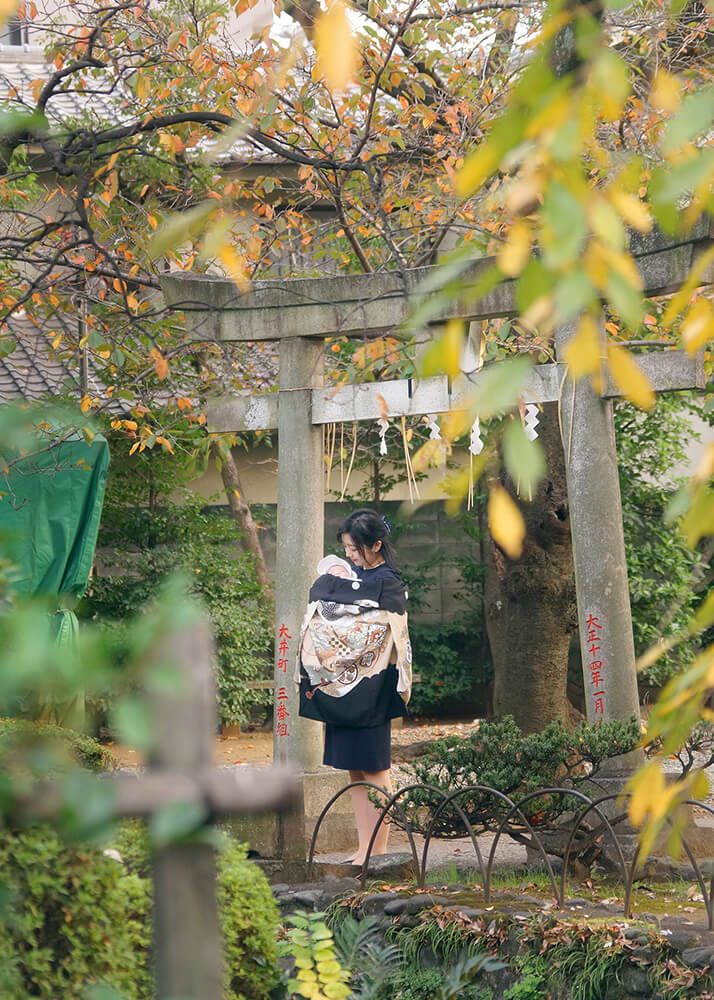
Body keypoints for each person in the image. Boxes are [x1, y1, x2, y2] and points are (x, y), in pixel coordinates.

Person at [296, 508, 412, 866]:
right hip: (340, 686)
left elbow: (378, 631)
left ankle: (378, 851)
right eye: (346, 548)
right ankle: (365, 848)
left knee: (375, 770)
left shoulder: (389, 582)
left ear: (376, 545)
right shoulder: (348, 577)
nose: (349, 555)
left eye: (354, 548)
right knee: (355, 771)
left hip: (372, 686)